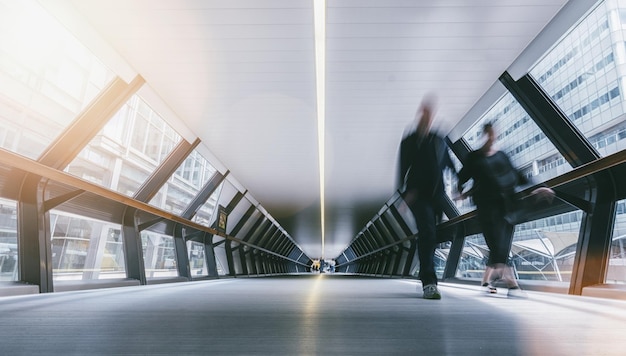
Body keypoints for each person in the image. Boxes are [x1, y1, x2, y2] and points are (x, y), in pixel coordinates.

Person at [457, 122, 553, 298]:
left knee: (501, 245)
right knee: (496, 244)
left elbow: (517, 175)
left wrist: (538, 187)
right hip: (486, 207)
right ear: (483, 135)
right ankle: (512, 285)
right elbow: (462, 176)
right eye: (488, 134)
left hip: (507, 206)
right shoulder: (474, 158)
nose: (491, 137)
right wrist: (461, 192)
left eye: (494, 134)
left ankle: (487, 282)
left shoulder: (502, 155)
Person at [398, 95, 456, 300]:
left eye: (430, 114)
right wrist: (404, 195)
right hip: (417, 195)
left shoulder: (439, 139)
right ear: (419, 115)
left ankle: (426, 276)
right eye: (424, 112)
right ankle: (429, 282)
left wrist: (459, 185)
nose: (427, 117)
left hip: (437, 196)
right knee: (428, 232)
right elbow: (402, 168)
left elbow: (449, 164)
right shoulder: (409, 140)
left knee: (431, 237)